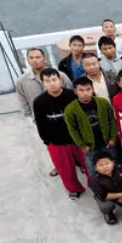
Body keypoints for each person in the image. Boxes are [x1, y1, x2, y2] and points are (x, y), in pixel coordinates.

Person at [33, 68, 87, 199]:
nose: (52, 83)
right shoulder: (39, 102)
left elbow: (82, 117)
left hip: (78, 139)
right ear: (43, 83)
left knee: (89, 164)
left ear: (60, 80)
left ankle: (97, 187)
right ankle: (74, 189)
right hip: (56, 142)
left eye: (54, 79)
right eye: (47, 81)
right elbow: (40, 124)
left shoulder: (72, 96)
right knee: (65, 168)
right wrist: (47, 141)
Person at [64, 76, 119, 183]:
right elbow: (73, 130)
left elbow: (111, 121)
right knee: (93, 170)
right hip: (90, 147)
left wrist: (113, 138)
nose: (85, 93)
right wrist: (82, 145)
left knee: (114, 164)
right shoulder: (70, 109)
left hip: (107, 142)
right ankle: (100, 189)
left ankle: (117, 185)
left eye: (88, 89)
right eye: (81, 90)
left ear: (93, 89)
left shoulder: (103, 103)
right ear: (75, 91)